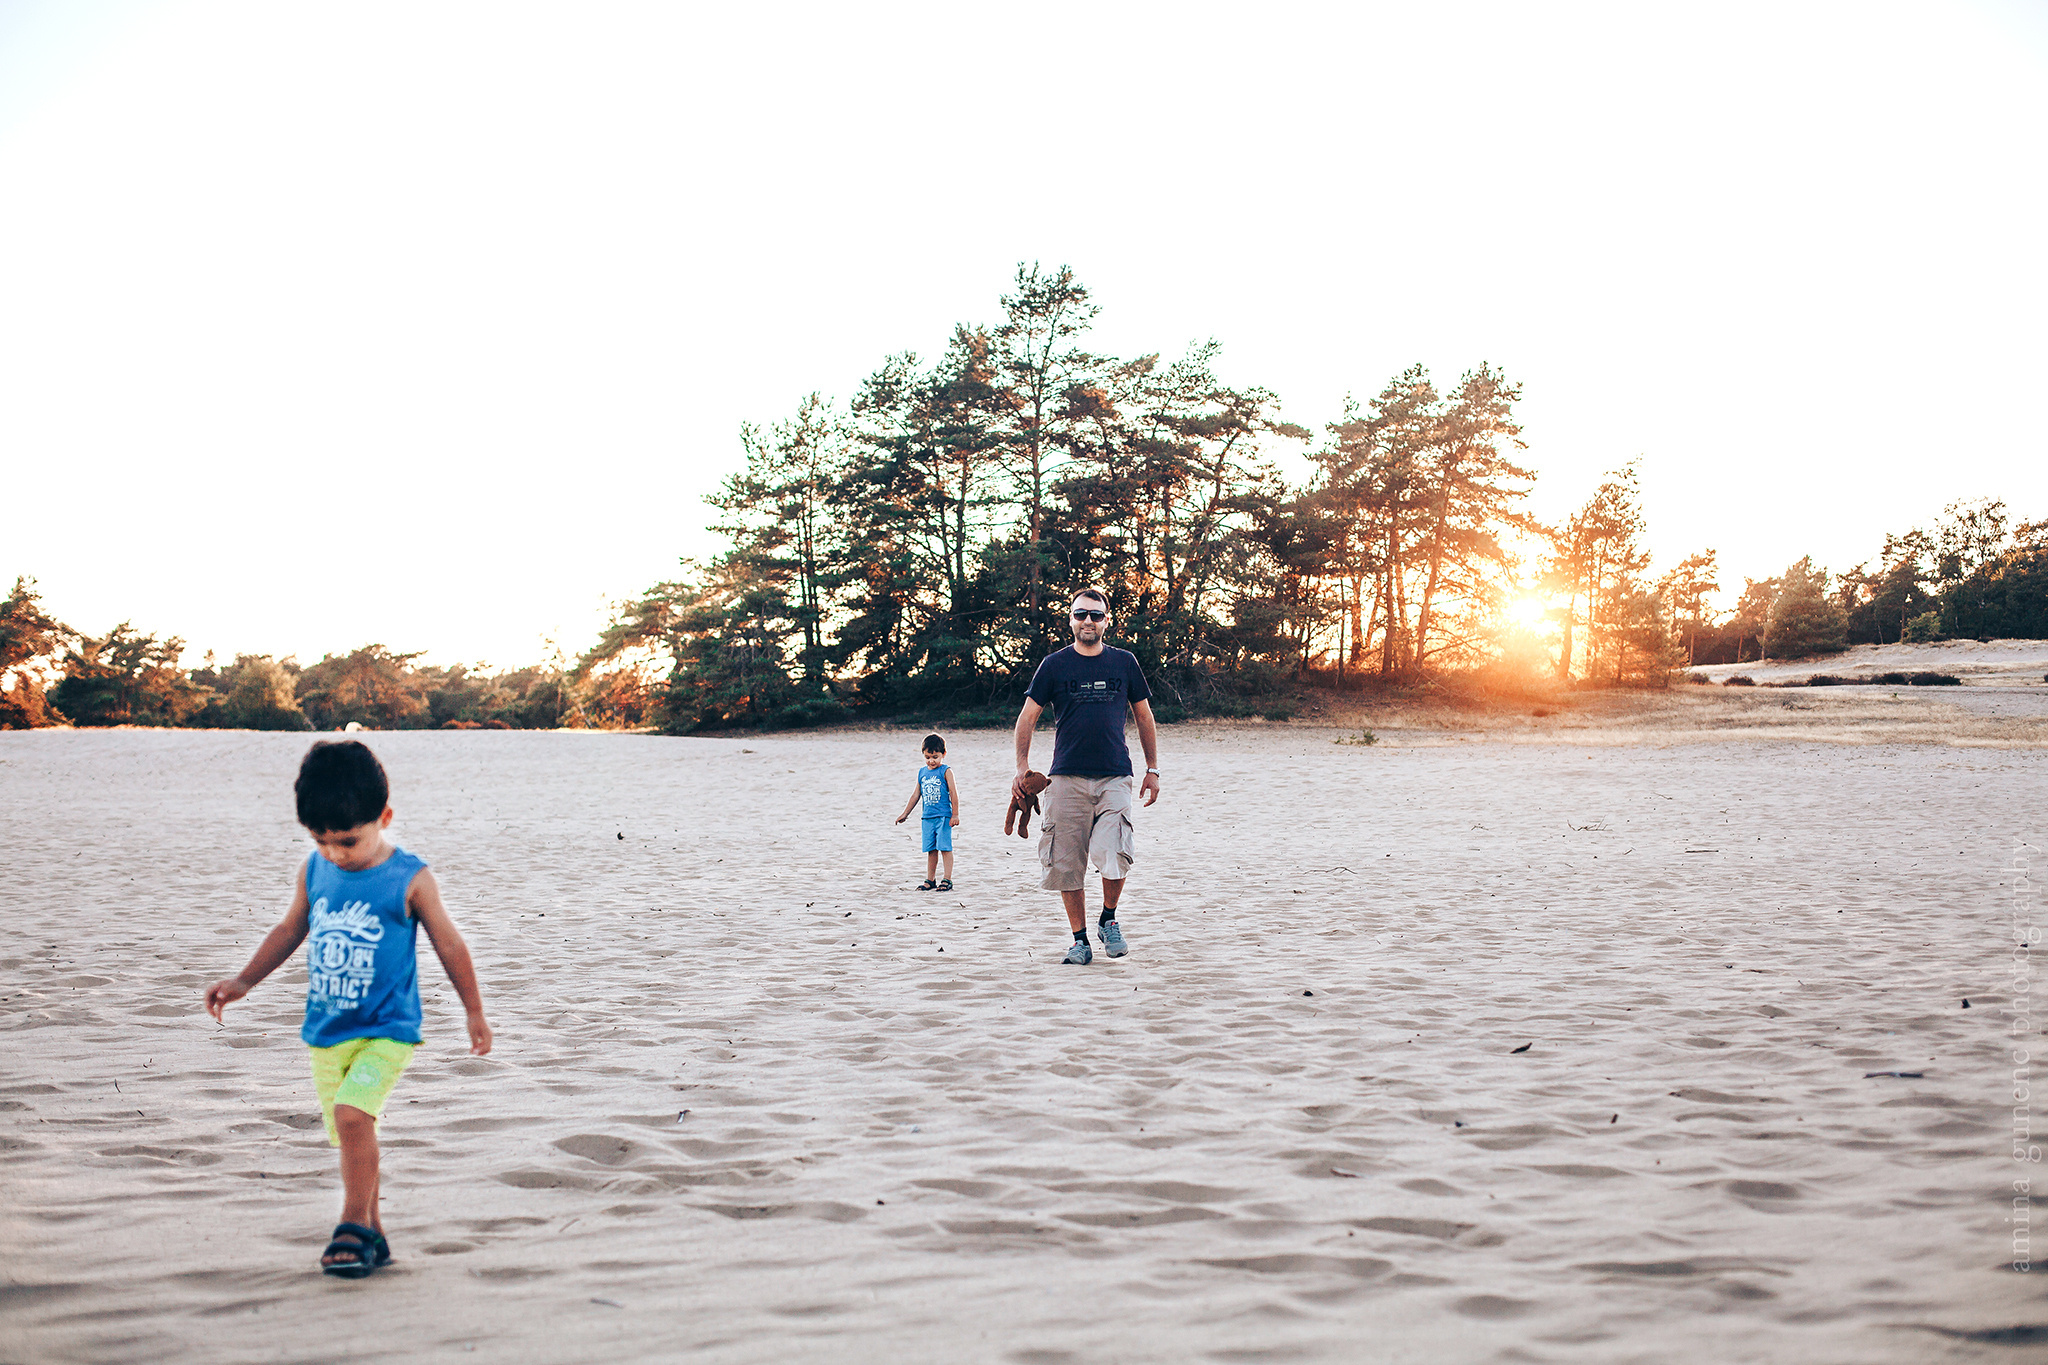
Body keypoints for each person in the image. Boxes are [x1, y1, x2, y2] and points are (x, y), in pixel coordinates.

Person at [203, 740, 492, 1279]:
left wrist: (473, 1012)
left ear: (384, 817)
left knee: (353, 1117)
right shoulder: (316, 870)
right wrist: (245, 979)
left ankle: (350, 1223)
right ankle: (373, 1237)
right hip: (327, 1030)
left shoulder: (410, 878)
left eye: (347, 841)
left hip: (388, 1028)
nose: (335, 852)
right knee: (355, 1134)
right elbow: (292, 928)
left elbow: (450, 945)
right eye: (320, 840)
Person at [1011, 589, 1161, 964]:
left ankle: (1108, 918)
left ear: (1107, 620)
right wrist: (1021, 767)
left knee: (1115, 852)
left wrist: (1152, 769)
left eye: (1096, 615)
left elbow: (1144, 716)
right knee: (1065, 862)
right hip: (1065, 779)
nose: (1088, 621)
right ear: (1071, 620)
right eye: (1081, 615)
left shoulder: (1124, 663)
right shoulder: (1054, 665)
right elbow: (1027, 718)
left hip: (1115, 776)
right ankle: (1079, 940)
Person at [895, 732, 962, 891]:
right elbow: (916, 795)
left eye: (935, 757)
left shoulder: (946, 771)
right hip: (927, 818)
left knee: (945, 848)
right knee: (931, 850)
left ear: (943, 754)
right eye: (927, 757)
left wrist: (955, 814)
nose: (931, 761)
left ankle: (947, 879)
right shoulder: (922, 772)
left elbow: (953, 793)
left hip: (943, 817)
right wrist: (905, 813)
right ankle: (930, 880)